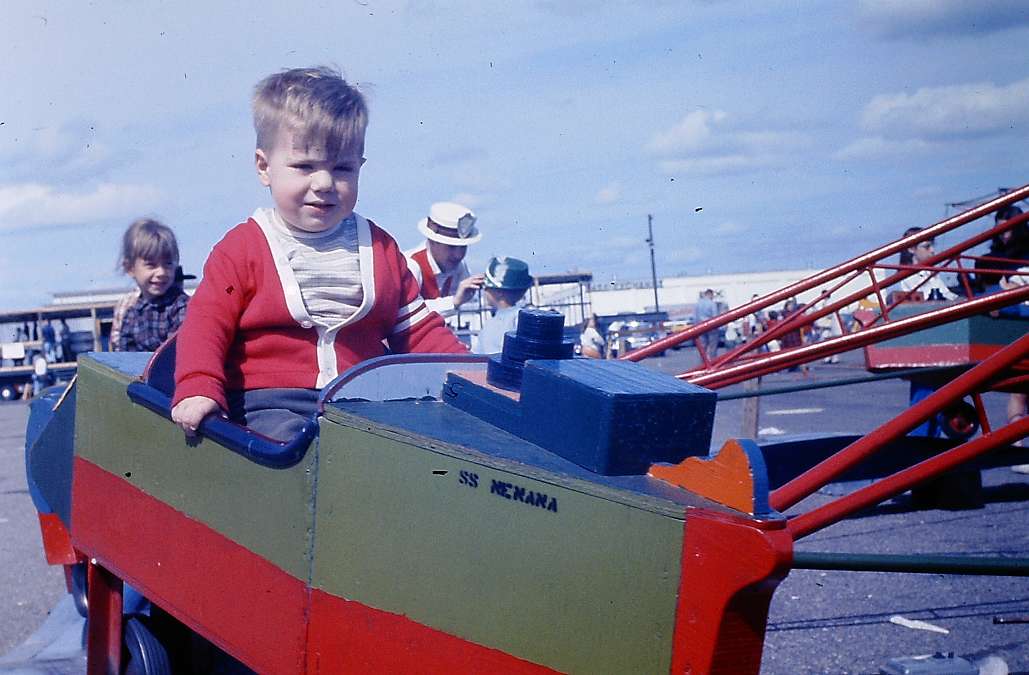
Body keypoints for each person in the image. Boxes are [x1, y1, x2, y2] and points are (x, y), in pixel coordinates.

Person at [171, 66, 465, 441]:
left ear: (360, 166)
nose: (324, 182)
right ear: (264, 167)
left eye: (342, 168)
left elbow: (418, 330)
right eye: (304, 166)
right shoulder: (242, 249)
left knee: (415, 444)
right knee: (300, 446)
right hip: (271, 405)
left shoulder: (380, 248)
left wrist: (469, 373)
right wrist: (198, 385)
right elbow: (206, 324)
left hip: (364, 405)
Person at [115, 218, 190, 352]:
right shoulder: (131, 314)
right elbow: (124, 355)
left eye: (168, 264)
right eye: (151, 265)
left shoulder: (181, 307)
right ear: (130, 268)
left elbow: (176, 354)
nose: (161, 272)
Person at [405, 201, 485, 322]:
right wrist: (454, 301)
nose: (458, 255)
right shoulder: (410, 266)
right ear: (432, 241)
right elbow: (406, 312)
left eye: (463, 247)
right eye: (451, 247)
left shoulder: (459, 266)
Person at [472, 257, 532, 354]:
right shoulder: (523, 318)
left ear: (499, 292)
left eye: (485, 287)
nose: (484, 291)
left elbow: (476, 355)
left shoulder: (490, 325)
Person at [897, 227, 959, 301]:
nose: (932, 250)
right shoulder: (908, 277)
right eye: (927, 247)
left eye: (932, 245)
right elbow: (929, 301)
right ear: (911, 249)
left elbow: (947, 295)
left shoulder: (929, 271)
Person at [693, 288, 718, 358]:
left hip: (700, 326)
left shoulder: (698, 304)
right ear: (710, 294)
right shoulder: (712, 304)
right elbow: (715, 316)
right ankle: (713, 361)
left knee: (703, 346)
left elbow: (695, 317)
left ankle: (703, 361)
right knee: (713, 346)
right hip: (711, 327)